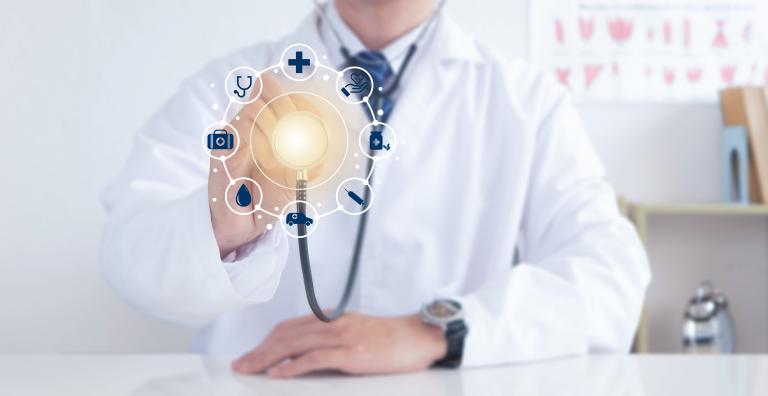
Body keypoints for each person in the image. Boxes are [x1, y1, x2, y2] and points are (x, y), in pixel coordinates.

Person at [101, 0, 650, 378]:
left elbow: (610, 278)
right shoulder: (233, 85)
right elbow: (128, 255)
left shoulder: (525, 99)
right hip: (256, 384)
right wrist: (216, 230)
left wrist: (438, 331)